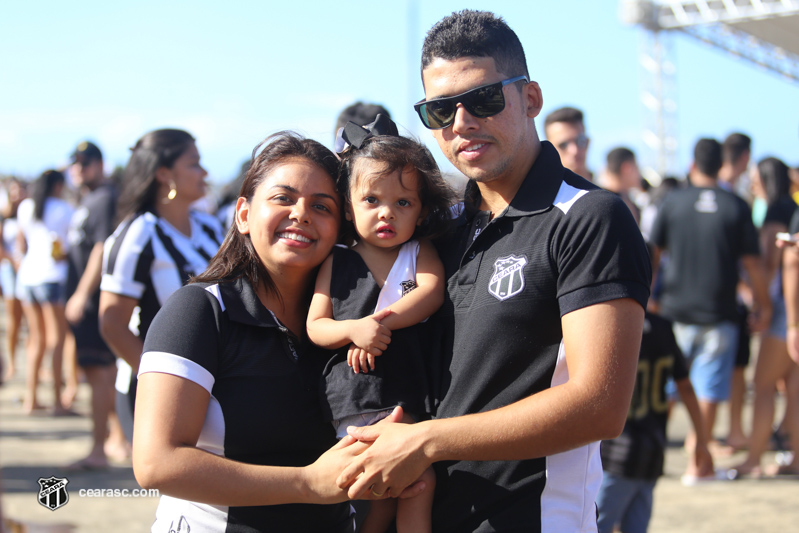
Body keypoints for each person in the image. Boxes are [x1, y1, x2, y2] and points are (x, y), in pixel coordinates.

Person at [337, 10, 651, 532]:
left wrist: (426, 440)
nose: (461, 123)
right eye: (439, 111)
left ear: (530, 99)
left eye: (482, 100)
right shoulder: (440, 224)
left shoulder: (590, 216)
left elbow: (600, 404)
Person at [132, 132, 417, 532]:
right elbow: (156, 464)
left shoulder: (359, 320)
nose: (301, 213)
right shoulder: (200, 310)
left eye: (322, 206)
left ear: (342, 226)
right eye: (283, 198)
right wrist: (308, 483)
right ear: (244, 215)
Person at [307, 115, 453, 533]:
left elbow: (431, 292)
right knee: (368, 493)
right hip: (354, 400)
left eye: (403, 203)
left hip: (411, 395)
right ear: (348, 206)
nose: (386, 213)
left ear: (422, 210)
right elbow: (317, 326)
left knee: (418, 483)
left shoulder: (418, 250)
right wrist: (353, 330)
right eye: (372, 200)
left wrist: (377, 322)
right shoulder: (337, 260)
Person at [99, 129, 224, 440]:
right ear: (164, 173)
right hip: (160, 390)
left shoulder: (209, 227)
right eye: (194, 163)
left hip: (216, 383)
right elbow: (112, 322)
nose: (204, 172)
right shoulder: (137, 234)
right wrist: (163, 380)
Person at [650, 138, 771, 456]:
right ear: (721, 166)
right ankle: (698, 453)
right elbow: (752, 264)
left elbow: (653, 254)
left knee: (669, 386)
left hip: (674, 310)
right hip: (719, 312)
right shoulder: (736, 205)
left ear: (692, 164)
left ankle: (657, 446)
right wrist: (763, 304)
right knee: (708, 388)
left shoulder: (673, 202)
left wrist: (647, 297)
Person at [597, 309, 714, 533]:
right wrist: (701, 439)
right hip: (653, 451)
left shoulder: (609, 323)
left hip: (616, 455)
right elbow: (686, 388)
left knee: (594, 525)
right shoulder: (662, 326)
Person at [730, 157, 799, 478]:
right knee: (793, 386)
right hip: (791, 307)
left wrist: (761, 304)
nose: (752, 182)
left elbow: (775, 263)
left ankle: (754, 458)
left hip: (784, 307)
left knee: (764, 385)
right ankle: (795, 458)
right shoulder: (792, 208)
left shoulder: (775, 212)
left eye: (756, 177)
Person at [62, 141, 128, 470]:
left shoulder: (103, 198)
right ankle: (117, 440)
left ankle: (98, 450)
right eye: (75, 163)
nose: (78, 169)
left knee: (98, 372)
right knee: (101, 371)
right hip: (85, 297)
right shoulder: (89, 198)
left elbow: (101, 248)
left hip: (91, 300)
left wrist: (81, 295)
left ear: (100, 165)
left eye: (85, 163)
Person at [16, 169, 75, 415]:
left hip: (27, 277)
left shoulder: (25, 207)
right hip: (52, 277)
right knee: (57, 340)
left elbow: (21, 244)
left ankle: (31, 398)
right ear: (58, 186)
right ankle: (57, 402)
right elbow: (66, 249)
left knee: (36, 340)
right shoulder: (64, 209)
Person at [0, 177, 27, 381]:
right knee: (14, 319)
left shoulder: (30, 214)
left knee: (31, 322)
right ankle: (11, 363)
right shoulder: (4, 217)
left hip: (28, 271)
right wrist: (14, 261)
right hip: (10, 271)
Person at [544, 106, 593, 181]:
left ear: (588, 142)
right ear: (549, 150)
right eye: (563, 145)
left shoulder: (610, 191)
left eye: (580, 141)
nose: (574, 150)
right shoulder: (539, 192)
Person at [603, 146, 642, 223]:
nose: (639, 174)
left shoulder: (626, 199)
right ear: (627, 168)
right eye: (636, 167)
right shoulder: (607, 203)